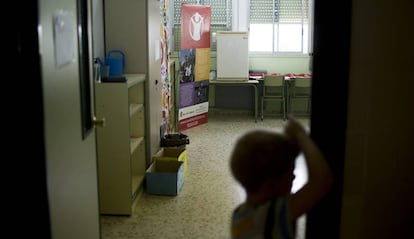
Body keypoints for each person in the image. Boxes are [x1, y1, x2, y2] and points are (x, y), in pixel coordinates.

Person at [229, 117, 333, 239]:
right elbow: (321, 181)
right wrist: (301, 135)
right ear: (270, 186)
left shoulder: (239, 216)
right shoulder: (272, 215)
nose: (294, 176)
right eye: (290, 173)